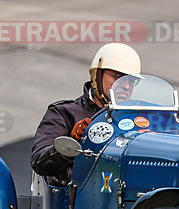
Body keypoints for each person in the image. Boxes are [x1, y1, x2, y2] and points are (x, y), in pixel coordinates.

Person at [30, 43, 142, 183]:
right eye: (118, 77)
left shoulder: (139, 117)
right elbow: (39, 162)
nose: (126, 86)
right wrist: (72, 143)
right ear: (97, 76)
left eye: (132, 81)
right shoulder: (63, 113)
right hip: (77, 198)